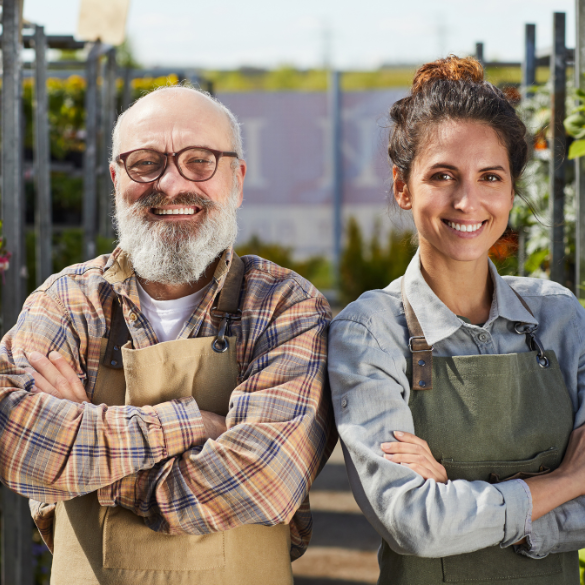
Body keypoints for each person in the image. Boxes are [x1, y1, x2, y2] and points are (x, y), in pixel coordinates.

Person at [0, 85, 335, 585]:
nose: (172, 183)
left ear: (237, 180)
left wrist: (88, 451)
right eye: (145, 162)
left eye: (199, 161)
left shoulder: (284, 306)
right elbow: (13, 442)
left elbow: (262, 479)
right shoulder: (67, 301)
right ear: (116, 179)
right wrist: (194, 424)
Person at [328, 56, 585, 585]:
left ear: (511, 191)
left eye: (490, 176)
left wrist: (463, 503)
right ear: (403, 187)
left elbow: (436, 518)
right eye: (442, 175)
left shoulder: (558, 314)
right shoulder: (371, 330)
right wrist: (567, 480)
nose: (468, 201)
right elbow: (414, 524)